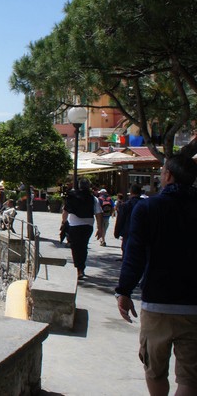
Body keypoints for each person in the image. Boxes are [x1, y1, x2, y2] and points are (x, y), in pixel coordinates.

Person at [115, 154, 197, 396]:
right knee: (190, 378)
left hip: (157, 303)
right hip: (194, 306)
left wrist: (124, 291)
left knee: (155, 371)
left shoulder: (148, 207)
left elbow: (135, 255)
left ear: (168, 175)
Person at [61, 178, 104, 280]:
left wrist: (63, 222)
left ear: (79, 186)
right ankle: (81, 268)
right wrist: (100, 229)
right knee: (83, 246)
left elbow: (65, 211)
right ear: (89, 186)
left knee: (75, 247)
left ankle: (78, 268)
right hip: (88, 226)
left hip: (74, 225)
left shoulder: (72, 197)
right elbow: (98, 214)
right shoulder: (93, 199)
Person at [114, 184, 142, 259]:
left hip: (128, 231)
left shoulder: (125, 205)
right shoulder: (146, 204)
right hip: (142, 232)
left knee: (127, 251)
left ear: (131, 192)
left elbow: (120, 220)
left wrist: (117, 232)